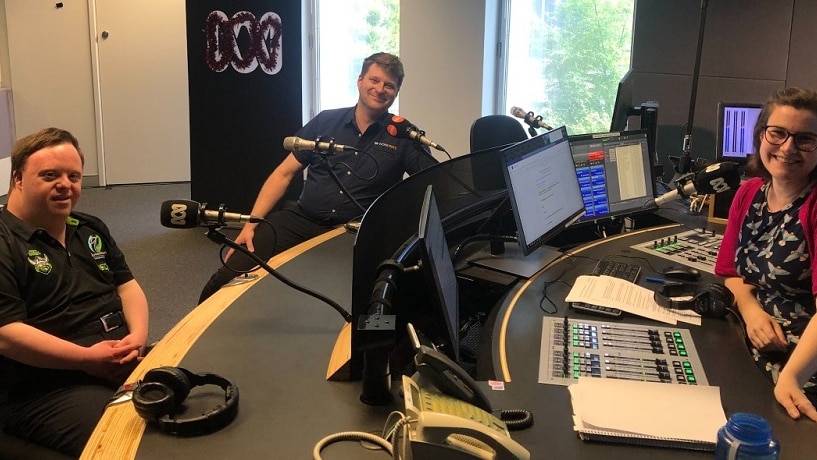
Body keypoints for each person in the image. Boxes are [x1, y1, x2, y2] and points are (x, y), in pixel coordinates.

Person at [199, 52, 439, 302]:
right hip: (302, 219)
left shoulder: (403, 135)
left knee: (369, 298)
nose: (380, 89)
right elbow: (283, 173)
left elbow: (434, 184)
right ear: (360, 81)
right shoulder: (326, 122)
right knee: (229, 273)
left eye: (389, 85)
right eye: (374, 80)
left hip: (354, 233)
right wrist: (251, 224)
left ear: (396, 91)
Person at [0, 128, 150, 458]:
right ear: (18, 179)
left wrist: (137, 338)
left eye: (74, 175)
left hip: (118, 354)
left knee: (194, 395)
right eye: (50, 175)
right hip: (46, 384)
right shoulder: (4, 242)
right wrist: (87, 360)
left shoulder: (88, 227)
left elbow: (127, 286)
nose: (65, 184)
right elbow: (6, 335)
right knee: (131, 440)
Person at [714, 87, 817, 422]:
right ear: (761, 135)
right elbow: (729, 269)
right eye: (778, 133)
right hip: (753, 340)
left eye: (805, 138)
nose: (788, 147)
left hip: (804, 364)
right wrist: (751, 311)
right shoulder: (749, 192)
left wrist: (792, 377)